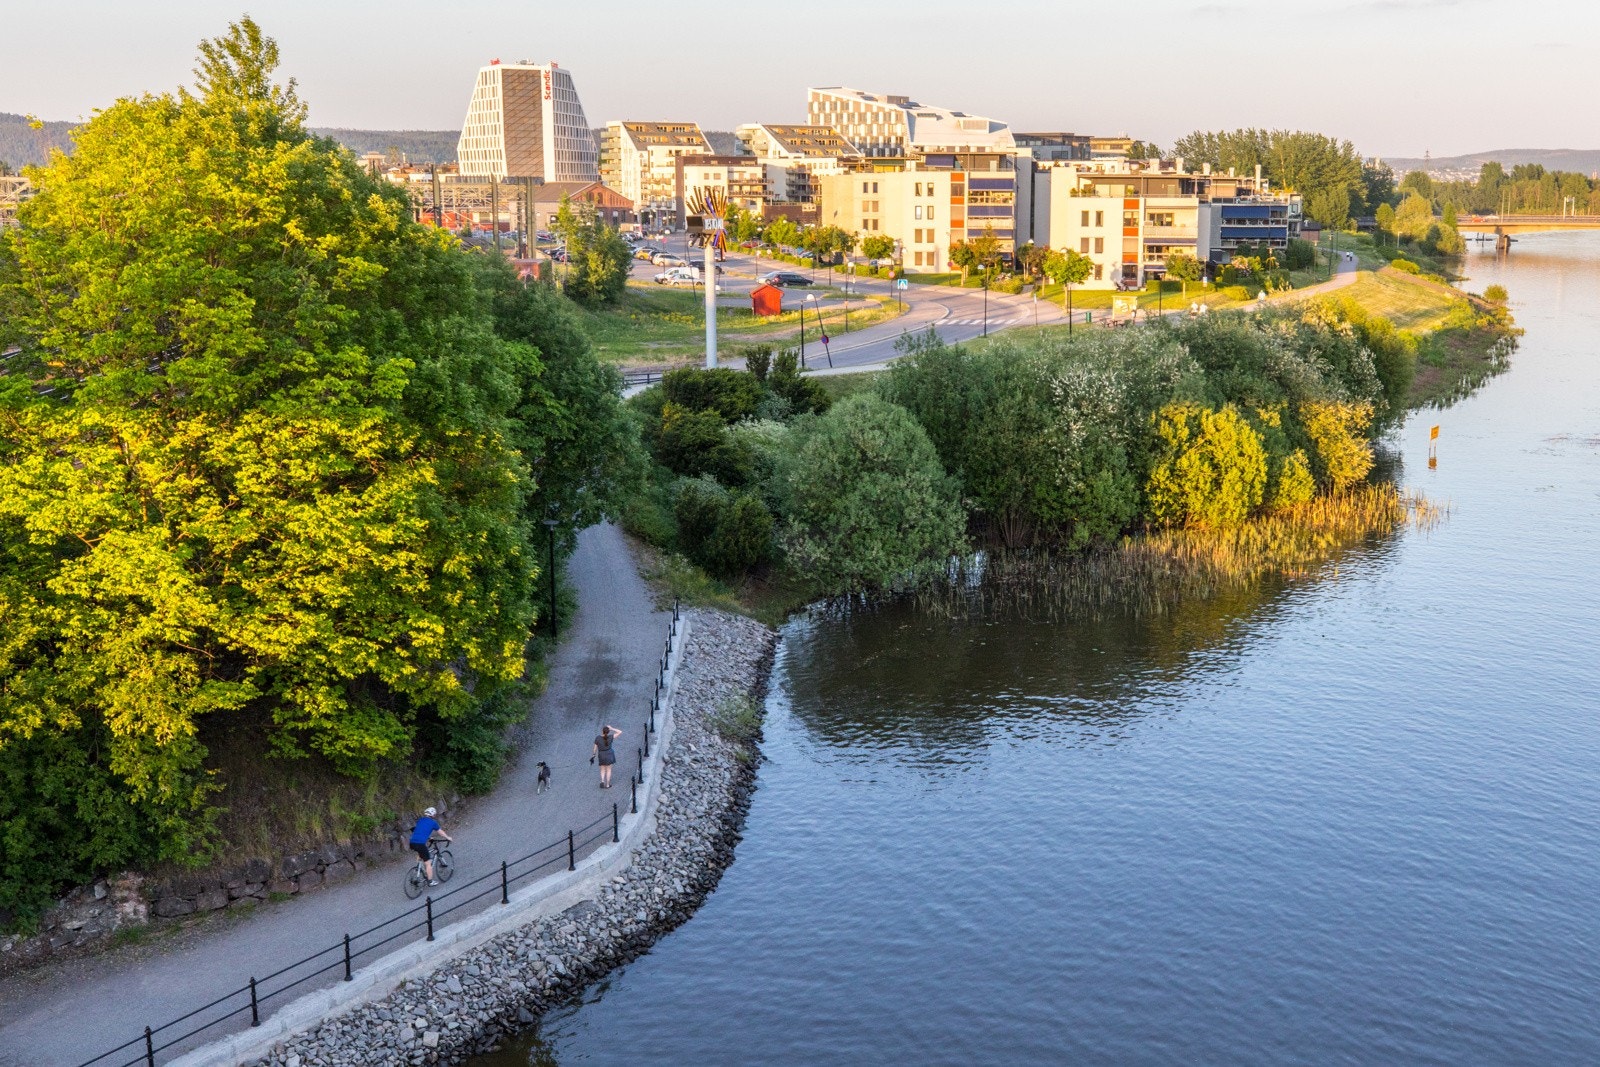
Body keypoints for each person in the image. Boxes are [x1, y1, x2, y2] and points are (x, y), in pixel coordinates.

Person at [409, 807, 451, 886]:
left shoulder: (420, 820)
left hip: (412, 843)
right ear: (433, 814)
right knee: (428, 863)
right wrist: (447, 837)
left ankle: (419, 868)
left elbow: (419, 830)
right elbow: (440, 832)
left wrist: (429, 838)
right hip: (420, 843)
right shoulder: (433, 822)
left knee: (421, 853)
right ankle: (430, 881)